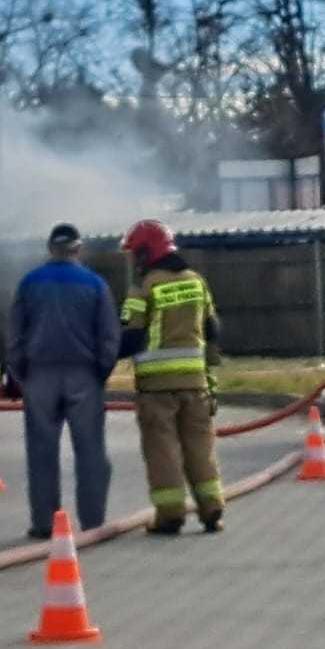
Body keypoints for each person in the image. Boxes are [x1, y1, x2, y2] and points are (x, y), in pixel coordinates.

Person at [3, 222, 120, 540]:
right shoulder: (95, 284)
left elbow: (15, 334)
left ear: (50, 250)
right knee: (91, 452)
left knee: (41, 453)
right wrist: (100, 372)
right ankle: (93, 525)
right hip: (84, 376)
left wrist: (21, 372)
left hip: (40, 375)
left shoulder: (29, 283)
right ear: (78, 249)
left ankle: (44, 525)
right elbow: (109, 335)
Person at [118, 218, 224, 535]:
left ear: (145, 254)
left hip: (157, 389)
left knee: (162, 450)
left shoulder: (145, 287)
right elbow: (212, 329)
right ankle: (212, 509)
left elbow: (132, 338)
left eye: (134, 254)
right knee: (200, 447)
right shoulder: (196, 281)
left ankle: (170, 514)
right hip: (195, 383)